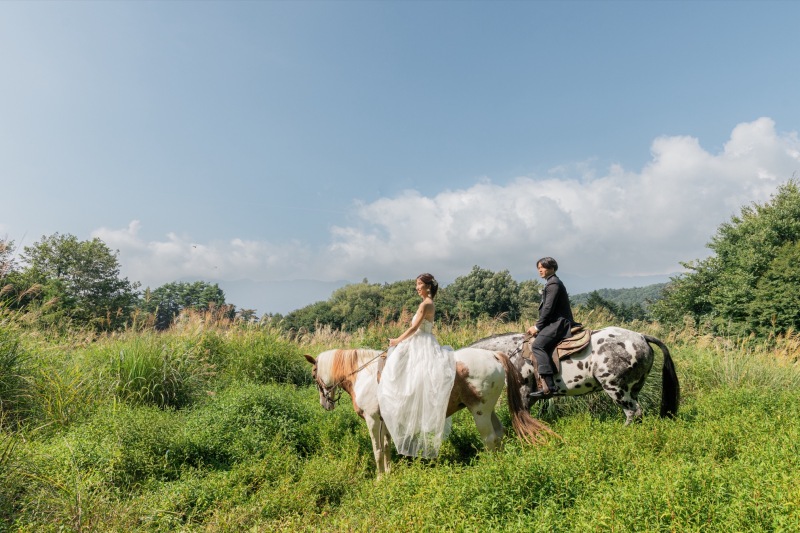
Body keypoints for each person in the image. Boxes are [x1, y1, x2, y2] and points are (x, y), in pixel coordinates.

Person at [377, 273, 456, 459]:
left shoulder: (426, 304)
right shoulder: (425, 303)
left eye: (419, 284)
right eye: (416, 284)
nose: (416, 288)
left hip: (421, 343)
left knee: (402, 372)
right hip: (418, 340)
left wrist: (396, 340)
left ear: (428, 286)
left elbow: (413, 329)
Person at [526, 257, 580, 400]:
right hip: (554, 322)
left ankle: (549, 386)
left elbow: (548, 309)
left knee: (537, 345)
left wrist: (537, 326)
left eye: (542, 268)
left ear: (552, 268)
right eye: (538, 268)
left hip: (559, 323)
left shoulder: (553, 284)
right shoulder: (551, 283)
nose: (540, 271)